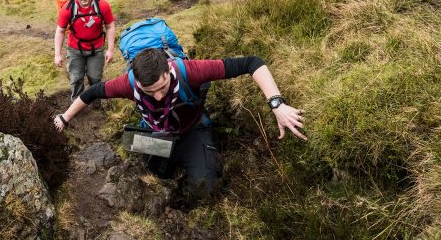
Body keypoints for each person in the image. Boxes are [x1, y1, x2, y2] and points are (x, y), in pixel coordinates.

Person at [53, 48, 306, 196]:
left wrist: (277, 104)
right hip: (156, 133)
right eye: (149, 92)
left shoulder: (190, 71)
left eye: (162, 87)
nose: (159, 95)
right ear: (137, 82)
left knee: (205, 188)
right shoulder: (128, 84)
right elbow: (91, 93)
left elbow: (252, 63)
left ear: (168, 70)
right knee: (152, 175)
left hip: (191, 130)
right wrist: (64, 118)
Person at [54, 0, 116, 103]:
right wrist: (57, 54)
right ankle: (77, 103)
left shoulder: (102, 6)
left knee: (95, 78)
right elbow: (60, 31)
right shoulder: (67, 9)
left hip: (96, 49)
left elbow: (110, 26)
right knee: (76, 78)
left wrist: (110, 49)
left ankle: (95, 101)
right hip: (75, 49)